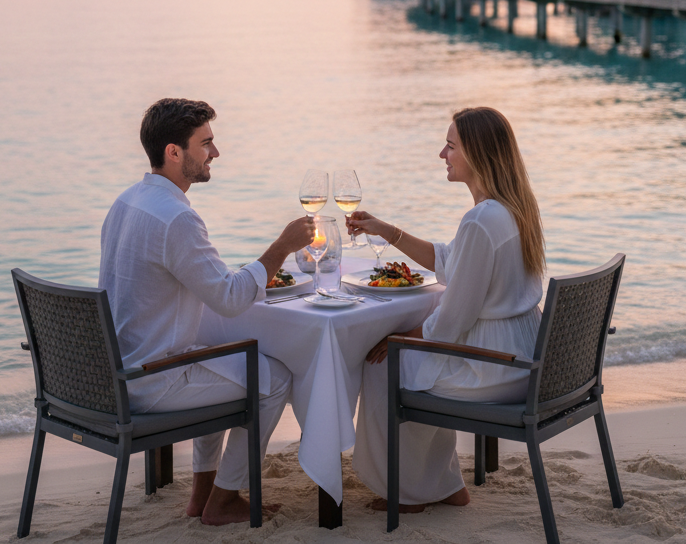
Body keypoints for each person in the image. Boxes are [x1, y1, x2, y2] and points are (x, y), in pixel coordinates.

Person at [98, 98, 314, 525]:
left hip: (116, 370)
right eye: (206, 143)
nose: (216, 153)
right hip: (151, 380)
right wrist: (282, 247)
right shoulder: (176, 218)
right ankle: (224, 498)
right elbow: (230, 300)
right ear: (173, 152)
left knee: (220, 354)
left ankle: (201, 494)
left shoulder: (126, 201)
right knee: (273, 379)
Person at [346, 106, 545, 512]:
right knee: (414, 361)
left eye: (450, 146)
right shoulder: (510, 208)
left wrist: (399, 339)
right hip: (526, 355)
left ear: (476, 153)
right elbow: (449, 259)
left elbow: (453, 320)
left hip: (499, 367)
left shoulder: (481, 221)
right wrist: (387, 230)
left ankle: (410, 493)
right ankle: (444, 485)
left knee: (385, 366)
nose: (442, 154)